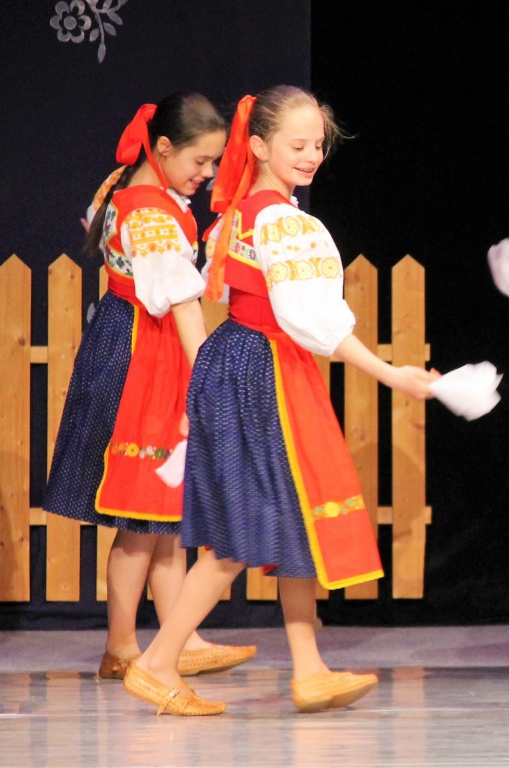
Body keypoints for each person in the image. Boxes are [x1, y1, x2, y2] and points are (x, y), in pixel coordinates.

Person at [123, 85, 441, 716]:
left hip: (244, 363)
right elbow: (309, 320)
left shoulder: (242, 214)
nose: (311, 155)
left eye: (318, 145)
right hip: (263, 371)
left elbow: (233, 294)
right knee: (240, 534)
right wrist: (390, 374)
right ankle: (157, 662)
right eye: (298, 145)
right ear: (261, 146)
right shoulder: (283, 223)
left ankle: (309, 667)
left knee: (290, 519)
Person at [44, 92, 257, 681]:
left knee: (163, 515)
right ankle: (122, 646)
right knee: (140, 519)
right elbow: (182, 305)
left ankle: (176, 639)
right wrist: (209, 376)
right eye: (199, 160)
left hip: (137, 343)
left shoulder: (131, 188)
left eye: (214, 162)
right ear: (162, 148)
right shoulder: (150, 214)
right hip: (144, 357)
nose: (206, 173)